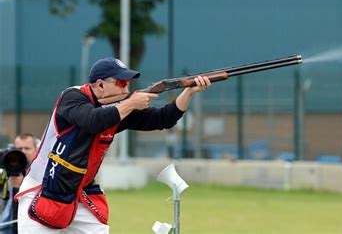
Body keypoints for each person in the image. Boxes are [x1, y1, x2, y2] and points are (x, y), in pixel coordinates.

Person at [15, 58, 211, 233]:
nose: (126, 88)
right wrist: (131, 103)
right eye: (120, 82)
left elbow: (162, 119)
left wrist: (189, 92)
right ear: (100, 85)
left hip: (78, 190)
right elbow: (92, 120)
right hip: (43, 189)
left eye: (128, 82)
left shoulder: (119, 107)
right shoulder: (72, 97)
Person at [0, 133, 38, 234]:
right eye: (19, 148)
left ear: (36, 150)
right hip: (6, 226)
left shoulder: (40, 173)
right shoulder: (4, 171)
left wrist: (24, 184)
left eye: (27, 148)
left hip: (30, 227)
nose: (23, 152)